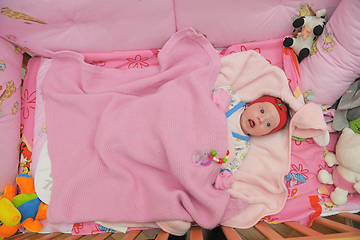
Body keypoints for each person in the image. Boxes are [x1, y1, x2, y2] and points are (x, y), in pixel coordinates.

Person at [212, 86, 290, 190]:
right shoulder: (234, 102)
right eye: (262, 111)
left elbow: (233, 164)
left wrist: (226, 176)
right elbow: (223, 90)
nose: (261, 119)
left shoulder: (242, 146)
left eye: (268, 124)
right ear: (250, 105)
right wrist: (219, 99)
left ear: (263, 134)